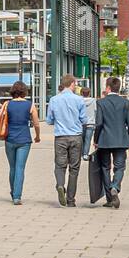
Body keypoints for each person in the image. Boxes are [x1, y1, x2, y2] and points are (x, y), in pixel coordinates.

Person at [93, 76, 129, 209]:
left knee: (105, 168)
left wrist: (96, 139)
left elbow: (99, 123)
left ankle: (110, 198)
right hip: (121, 140)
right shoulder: (125, 102)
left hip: (105, 140)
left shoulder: (101, 102)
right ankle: (115, 186)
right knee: (120, 167)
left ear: (107, 88)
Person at [46, 74, 88, 207]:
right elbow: (84, 119)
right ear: (71, 84)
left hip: (60, 137)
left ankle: (60, 184)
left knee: (60, 165)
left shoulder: (53, 100)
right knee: (74, 168)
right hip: (76, 136)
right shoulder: (79, 99)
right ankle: (71, 200)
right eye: (75, 84)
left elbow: (49, 120)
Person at [1, 81, 40, 204]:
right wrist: (38, 136)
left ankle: (13, 192)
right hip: (24, 140)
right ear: (24, 91)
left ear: (13, 91)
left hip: (10, 139)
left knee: (12, 167)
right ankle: (17, 196)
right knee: (20, 168)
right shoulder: (30, 105)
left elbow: (1, 119)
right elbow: (37, 124)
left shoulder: (7, 104)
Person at [80, 83, 97, 162]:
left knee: (81, 139)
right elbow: (96, 111)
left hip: (81, 123)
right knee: (88, 139)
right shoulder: (94, 101)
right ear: (89, 93)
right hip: (91, 123)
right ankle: (85, 154)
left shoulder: (79, 101)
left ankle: (81, 153)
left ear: (81, 93)